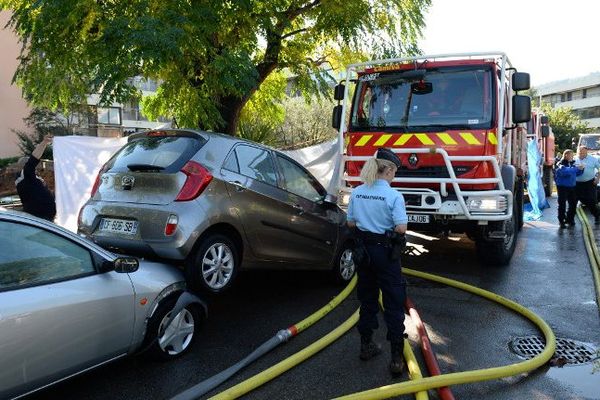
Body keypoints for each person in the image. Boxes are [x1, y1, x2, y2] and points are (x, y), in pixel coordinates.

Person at [346, 147, 408, 376]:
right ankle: (396, 359)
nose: (395, 176)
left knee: (368, 300)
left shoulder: (357, 192)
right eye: (395, 172)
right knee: (393, 302)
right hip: (386, 254)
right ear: (389, 169)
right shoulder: (393, 195)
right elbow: (401, 227)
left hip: (364, 254)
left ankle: (366, 345)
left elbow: (351, 223)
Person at [15, 134, 56, 221]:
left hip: (45, 219)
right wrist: (44, 143)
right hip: (40, 220)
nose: (37, 168)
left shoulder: (31, 180)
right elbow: (33, 159)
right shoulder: (26, 178)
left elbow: (40, 194)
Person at [554, 149, 583, 228]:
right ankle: (561, 221)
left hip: (572, 186)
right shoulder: (560, 163)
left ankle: (570, 219)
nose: (572, 157)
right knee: (562, 204)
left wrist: (581, 169)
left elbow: (576, 174)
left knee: (573, 204)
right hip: (562, 187)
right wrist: (577, 169)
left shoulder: (572, 163)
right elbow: (564, 172)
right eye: (571, 155)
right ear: (566, 155)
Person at [574, 145, 600, 224]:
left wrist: (597, 178)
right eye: (580, 153)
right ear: (578, 152)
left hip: (590, 183)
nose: (581, 155)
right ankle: (570, 220)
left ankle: (597, 217)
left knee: (591, 201)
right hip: (576, 184)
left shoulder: (593, 159)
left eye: (583, 153)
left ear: (587, 152)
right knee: (572, 201)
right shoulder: (574, 159)